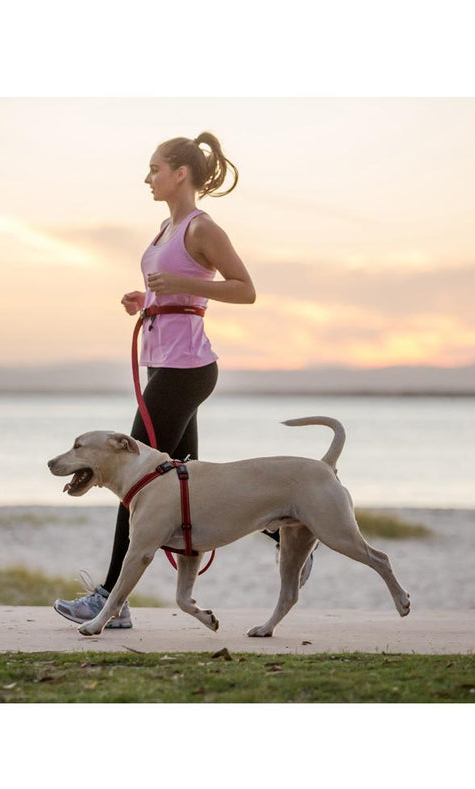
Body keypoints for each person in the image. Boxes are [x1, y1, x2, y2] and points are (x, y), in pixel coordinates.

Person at [53, 132, 312, 629]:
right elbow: (171, 294)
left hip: (186, 369)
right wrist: (146, 301)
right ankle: (286, 531)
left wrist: (182, 285)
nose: (147, 177)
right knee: (185, 484)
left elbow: (246, 290)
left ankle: (110, 600)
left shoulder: (201, 228)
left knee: (135, 482)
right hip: (163, 362)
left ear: (180, 174)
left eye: (154, 168)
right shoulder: (164, 228)